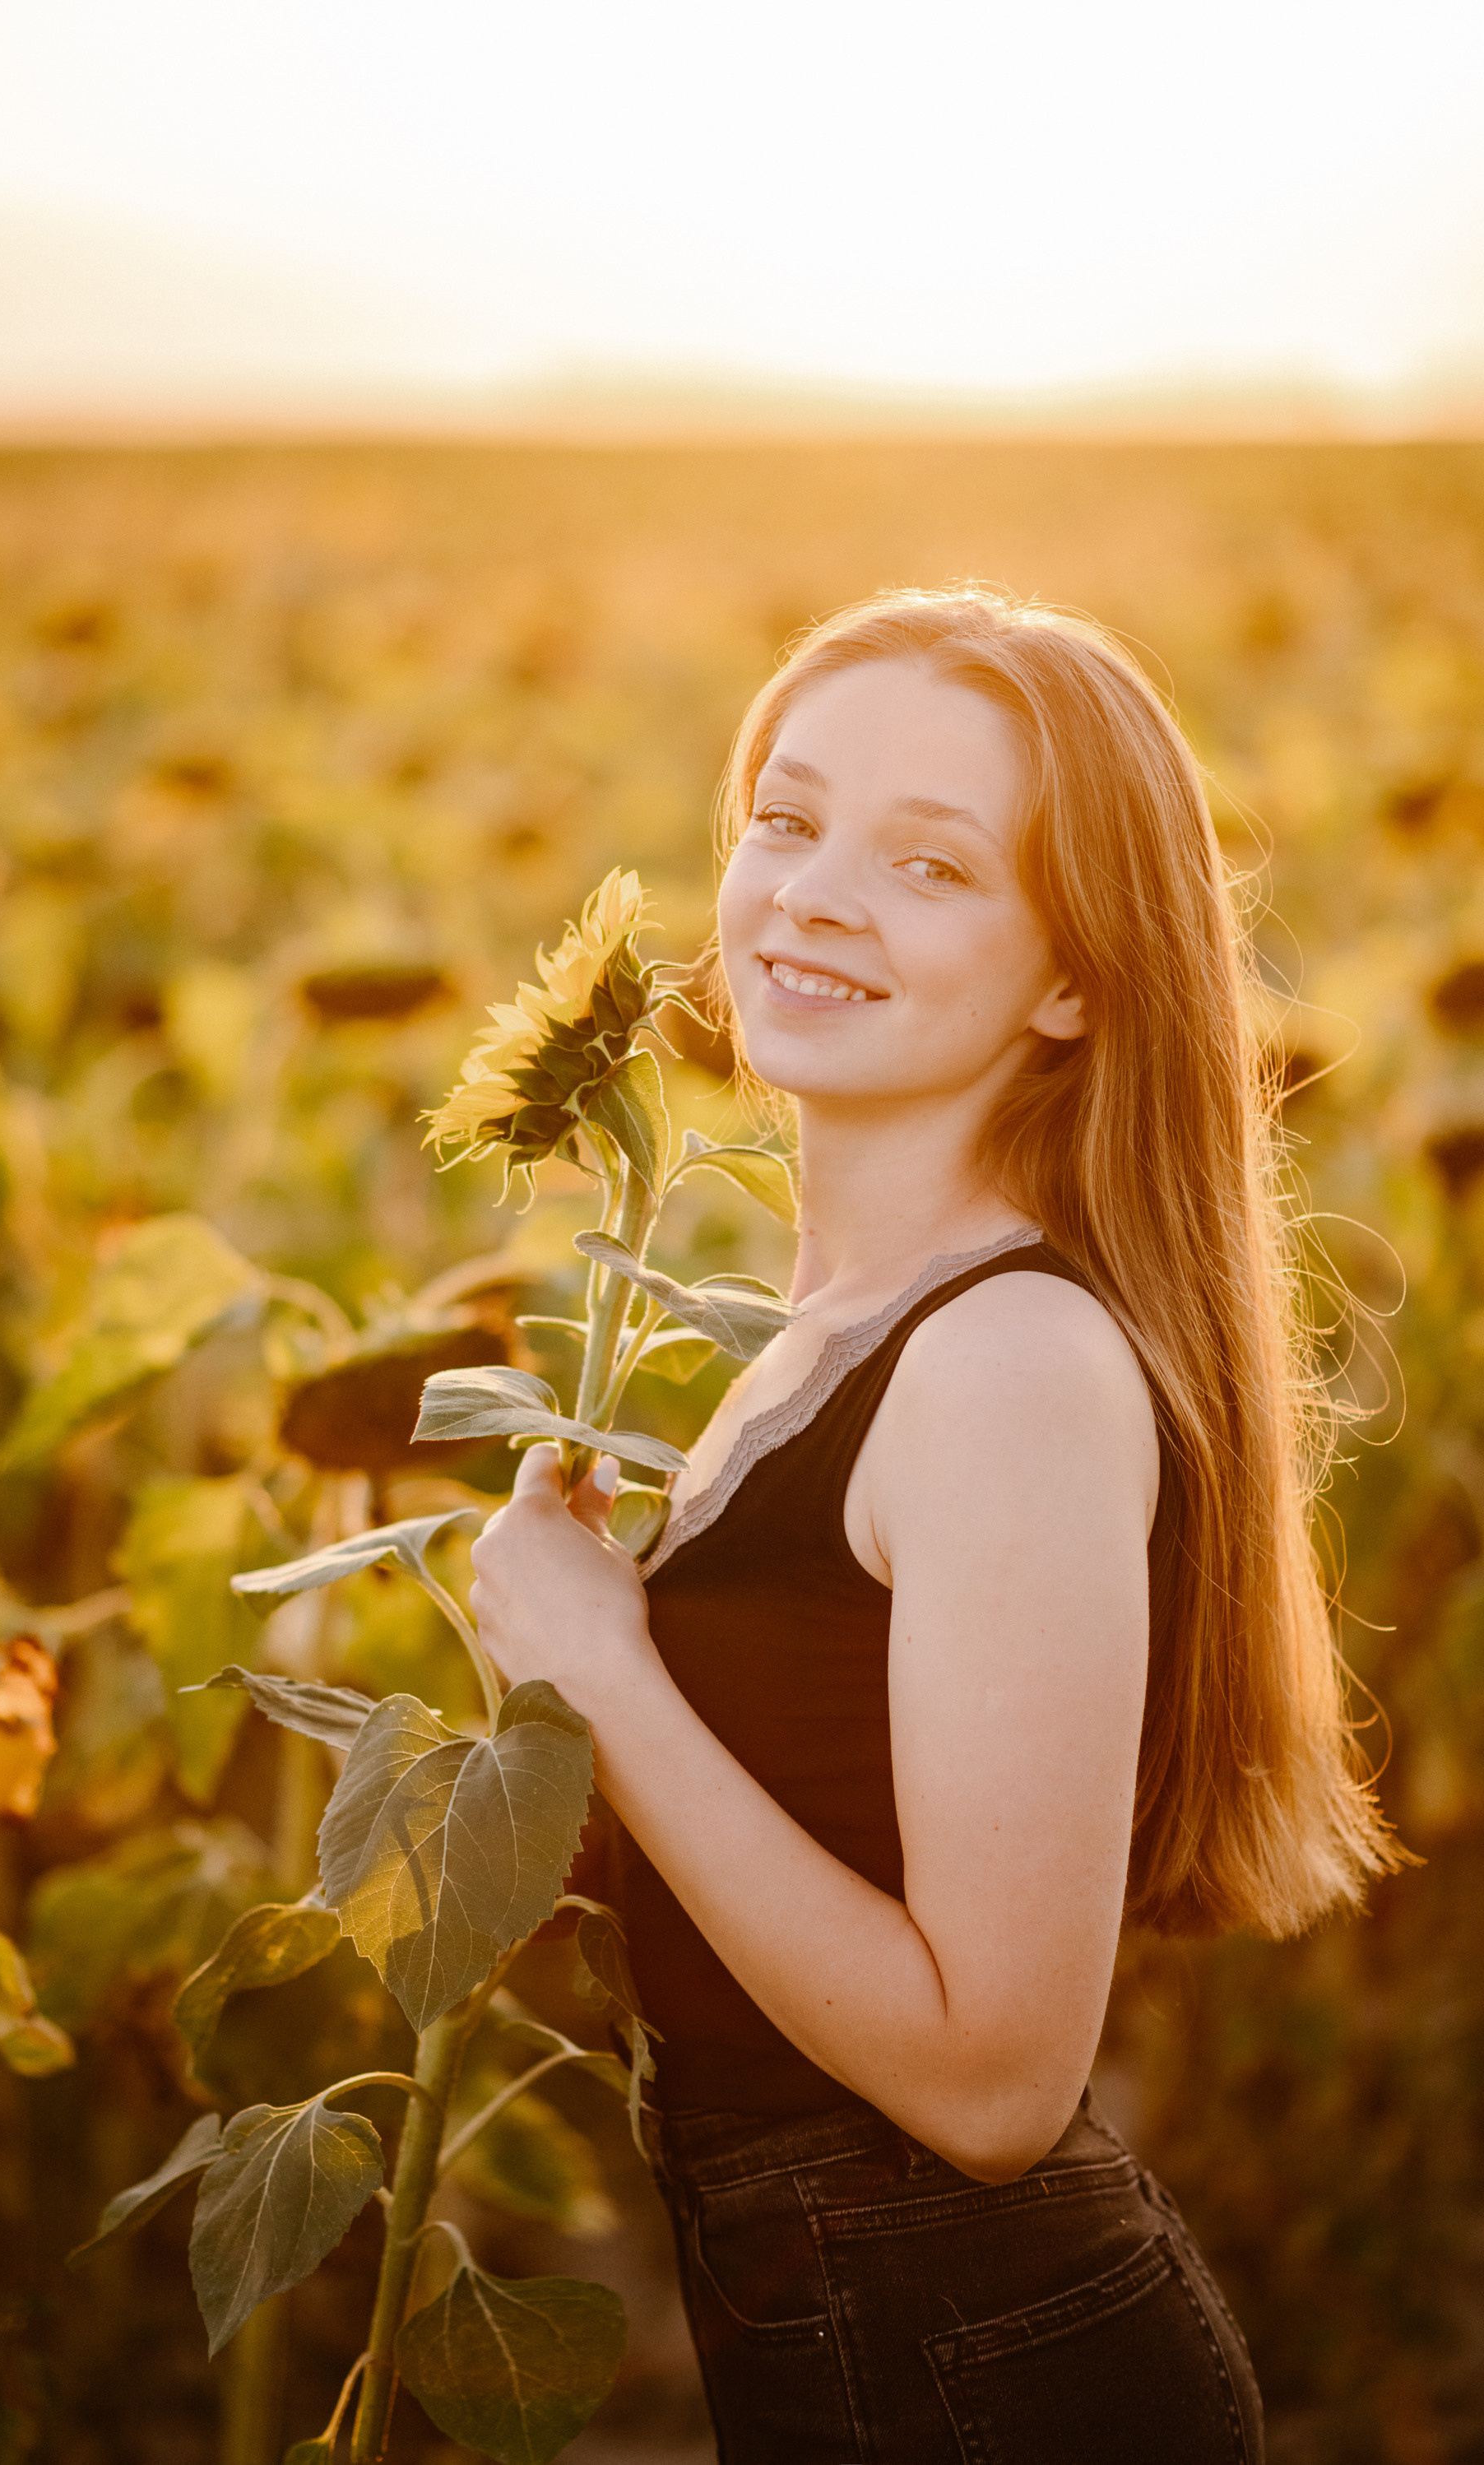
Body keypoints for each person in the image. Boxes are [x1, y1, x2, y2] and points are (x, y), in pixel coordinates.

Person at [466, 586, 1396, 2463]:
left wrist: (604, 1667)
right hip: (864, 2325)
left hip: (977, 2363)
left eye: (930, 863)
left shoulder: (1008, 1365)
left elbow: (990, 2082)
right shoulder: (835, 1332)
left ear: (1071, 977)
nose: (811, 893)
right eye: (785, 821)